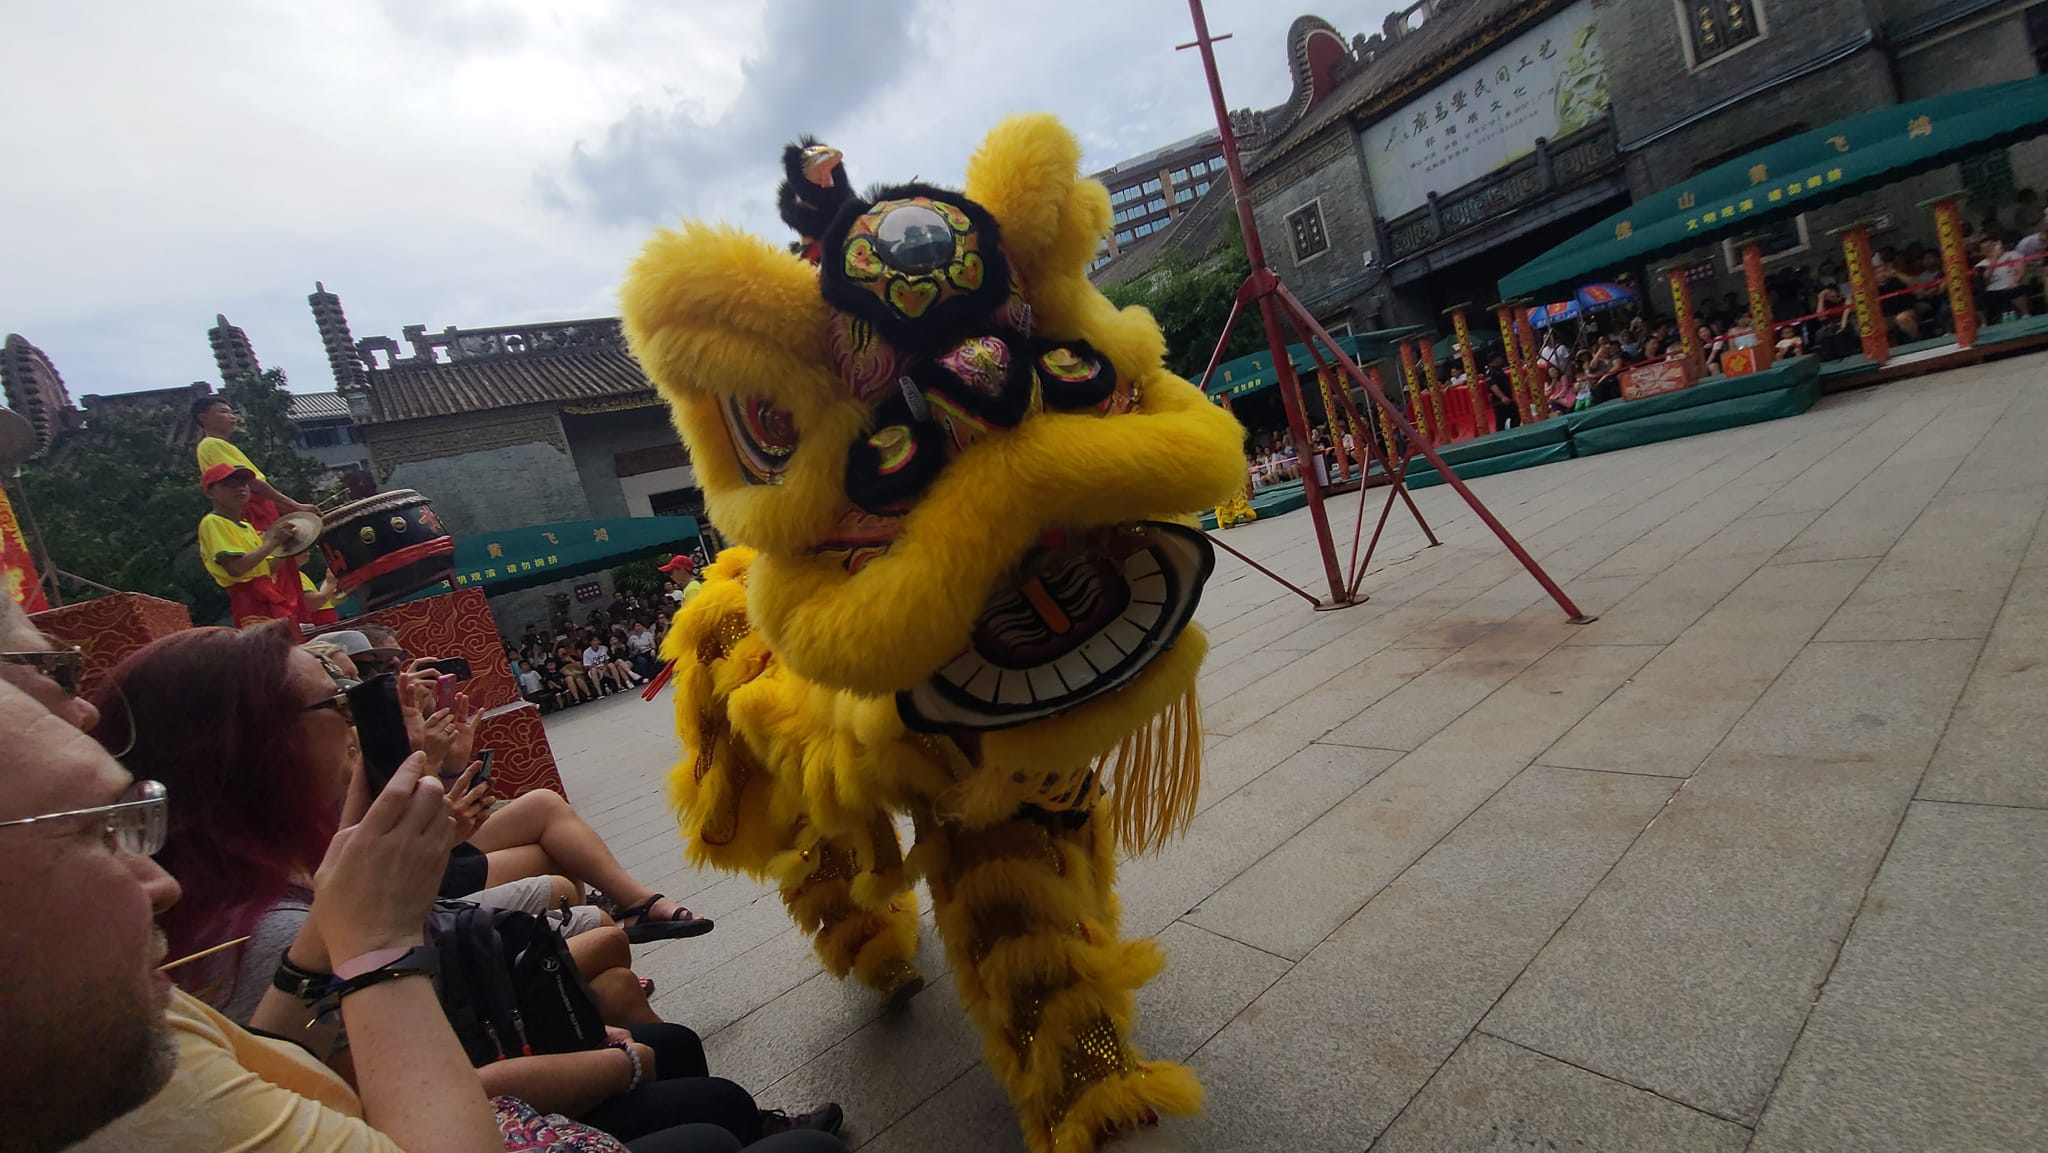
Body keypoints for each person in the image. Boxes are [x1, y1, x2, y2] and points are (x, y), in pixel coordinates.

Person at [199, 463, 310, 628]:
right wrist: (273, 542)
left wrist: (288, 547)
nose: (239, 489)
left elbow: (268, 568)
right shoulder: (213, 522)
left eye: (243, 484)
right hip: (249, 600)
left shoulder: (246, 526)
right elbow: (236, 568)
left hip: (267, 593)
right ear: (210, 492)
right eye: (228, 484)